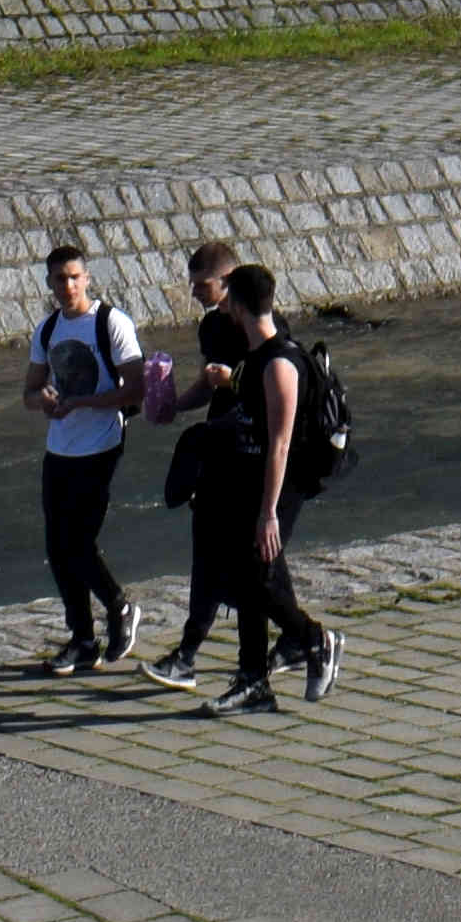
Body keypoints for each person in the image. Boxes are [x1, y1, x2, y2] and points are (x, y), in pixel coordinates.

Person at [180, 300, 332, 714]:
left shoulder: (280, 360)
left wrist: (268, 514)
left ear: (241, 307)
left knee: (257, 578)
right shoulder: (251, 353)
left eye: (229, 303)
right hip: (244, 477)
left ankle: (311, 638)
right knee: (246, 580)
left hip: (281, 483)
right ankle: (253, 682)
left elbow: (280, 445)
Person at [17, 242, 142, 676]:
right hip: (60, 448)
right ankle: (82, 638)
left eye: (74, 277)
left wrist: (86, 402)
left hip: (102, 444)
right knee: (57, 546)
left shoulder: (111, 323)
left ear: (87, 278)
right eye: (59, 279)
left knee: (78, 542)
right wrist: (44, 399)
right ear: (49, 283)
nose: (68, 286)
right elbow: (30, 392)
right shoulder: (47, 330)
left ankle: (119, 606)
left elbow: (136, 389)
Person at [137, 239, 244, 682]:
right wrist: (174, 404)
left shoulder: (257, 325)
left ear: (227, 281)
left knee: (228, 560)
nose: (196, 292)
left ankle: (188, 656)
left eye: (203, 285)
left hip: (246, 450)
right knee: (226, 559)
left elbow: (279, 384)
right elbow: (206, 383)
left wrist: (235, 379)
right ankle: (298, 640)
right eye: (193, 285)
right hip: (217, 444)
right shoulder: (210, 328)